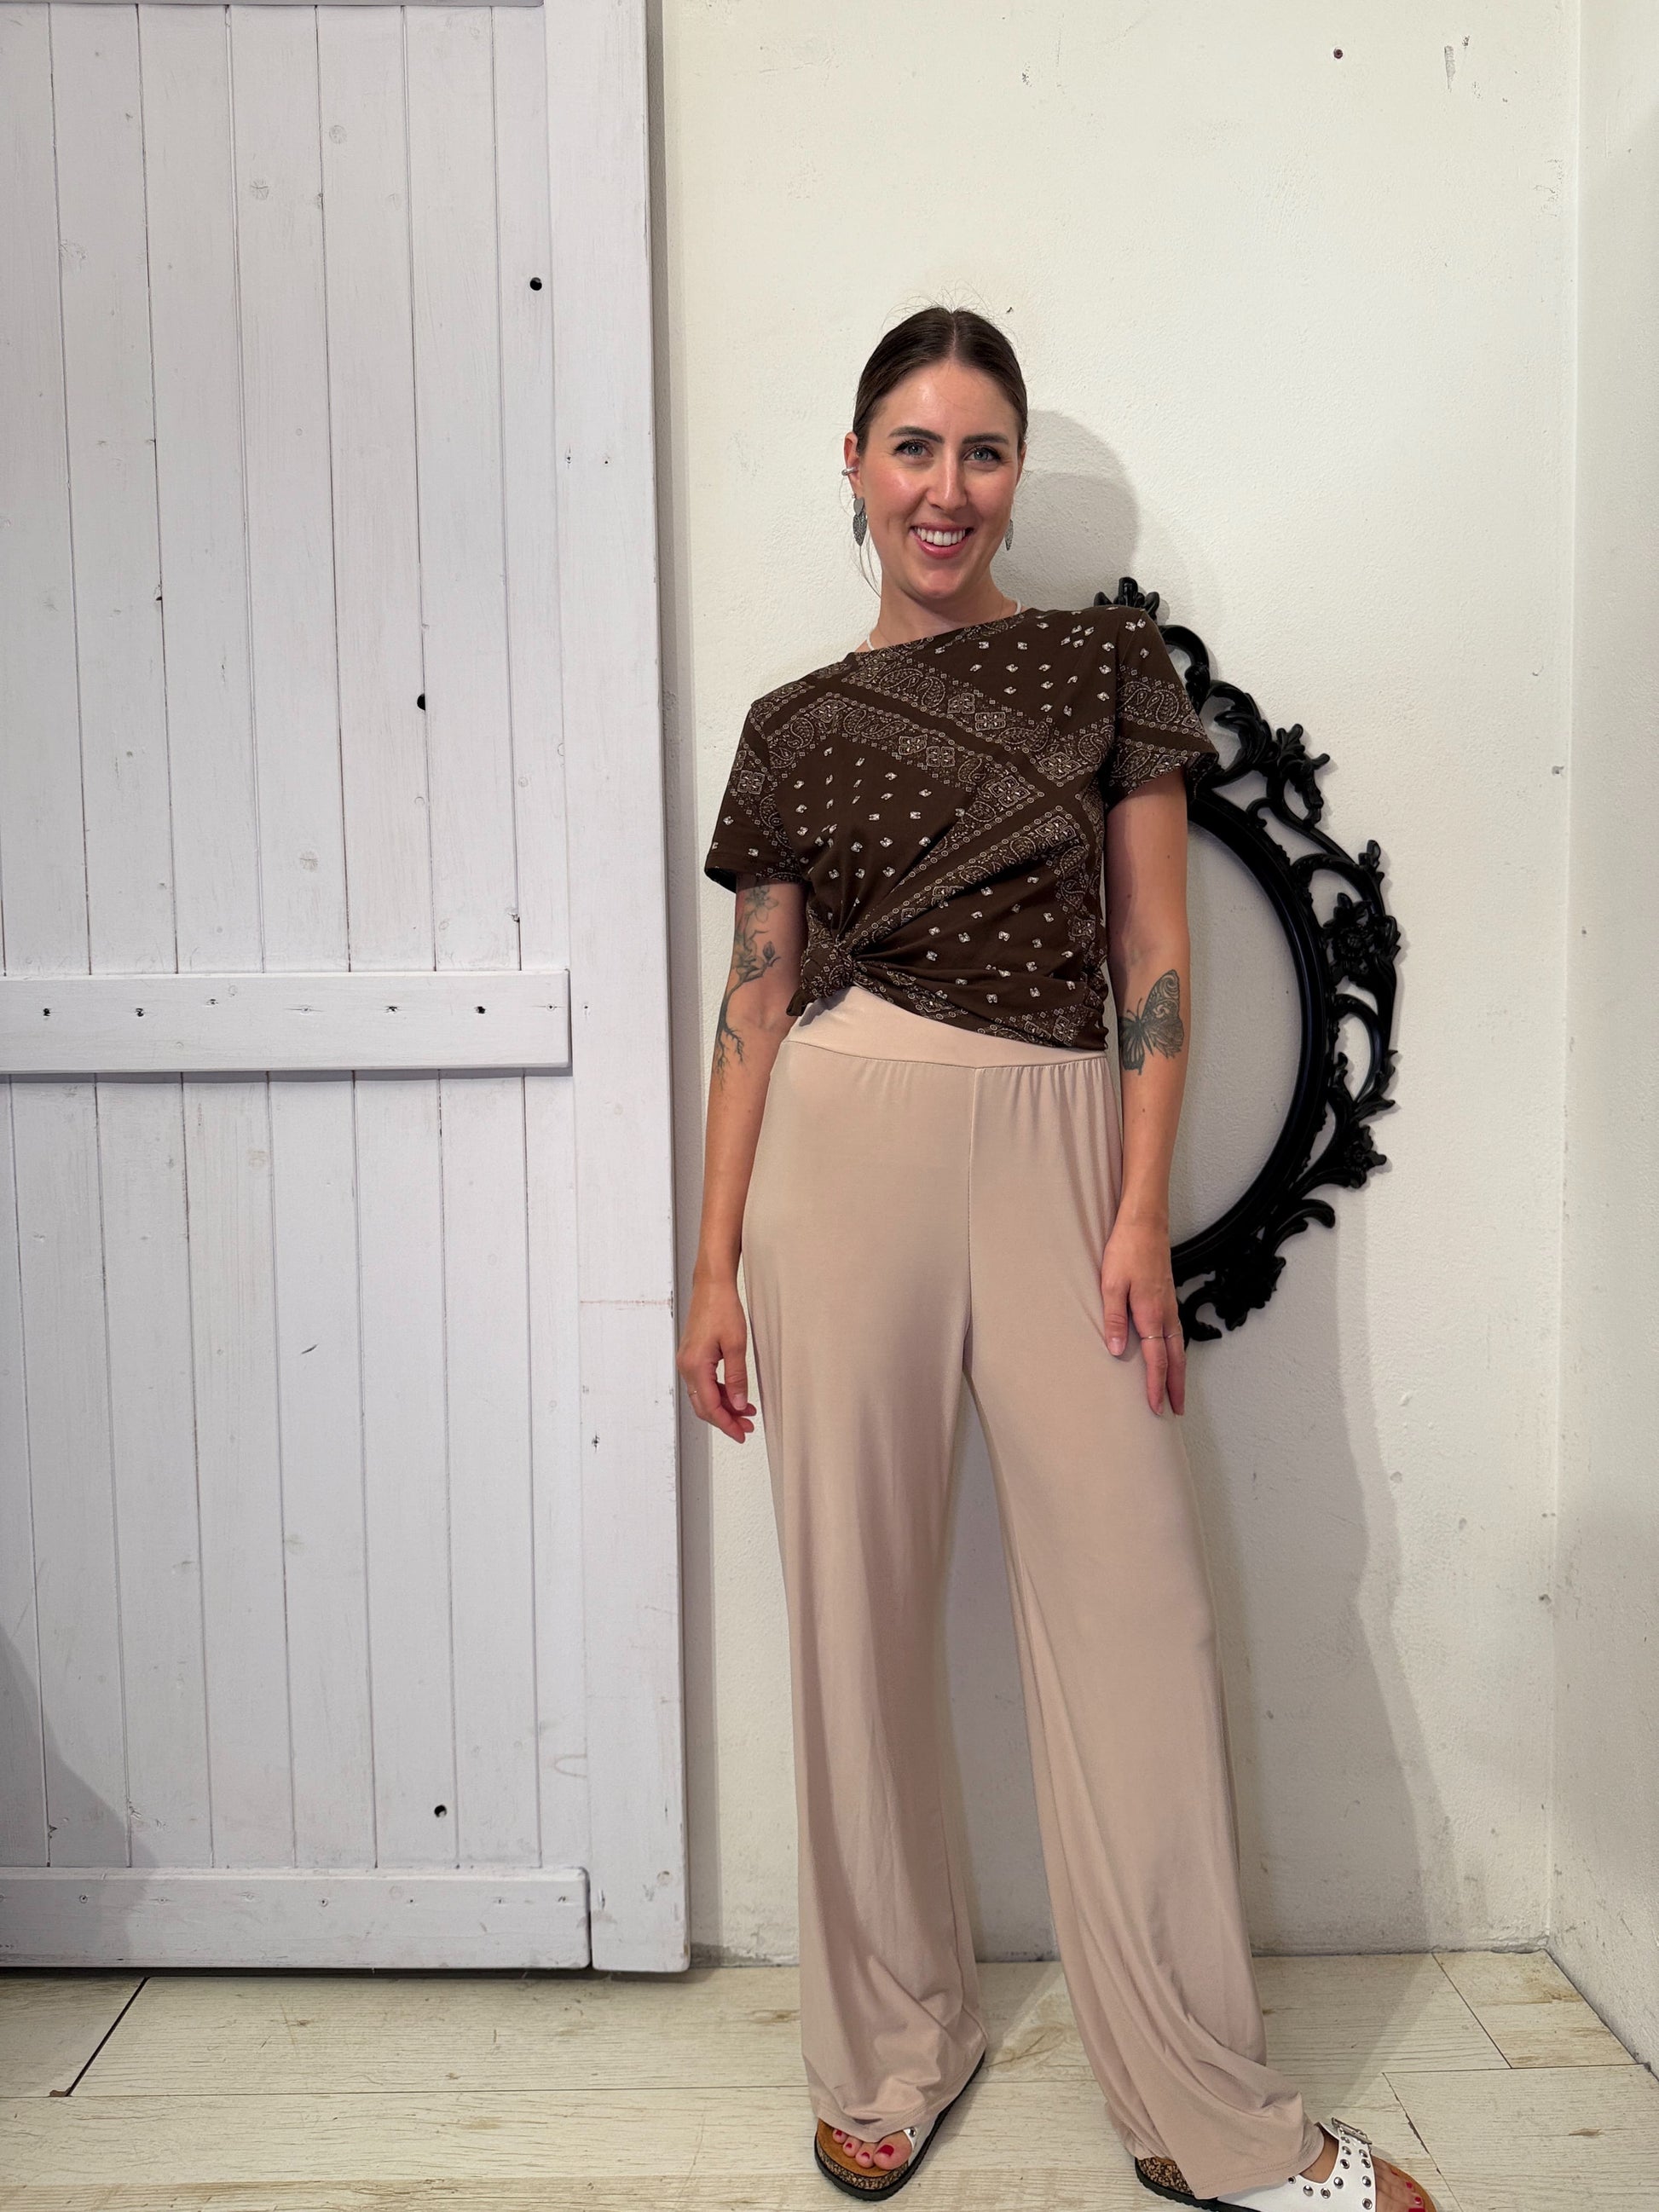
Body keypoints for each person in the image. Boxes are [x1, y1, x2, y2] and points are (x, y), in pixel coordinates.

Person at [678, 306, 1435, 2212]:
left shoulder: (1105, 665)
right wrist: (706, 1267)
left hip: (1050, 1145)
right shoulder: (789, 722)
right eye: (912, 447)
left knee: (1134, 1615)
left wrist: (1131, 1203)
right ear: (853, 463)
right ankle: (887, 2046)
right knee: (850, 1616)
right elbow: (756, 996)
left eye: (982, 450)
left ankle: (1204, 2105)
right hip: (833, 1157)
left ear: (1013, 475)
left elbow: (1155, 950)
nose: (946, 488)